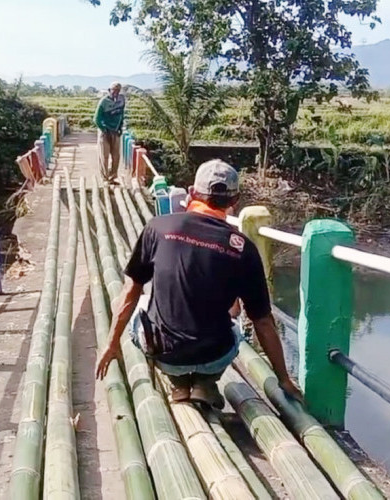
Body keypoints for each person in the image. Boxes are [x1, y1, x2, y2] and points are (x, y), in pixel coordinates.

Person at [96, 159, 302, 408]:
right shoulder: (242, 248)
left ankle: (178, 383)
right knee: (234, 326)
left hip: (165, 354)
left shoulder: (157, 228)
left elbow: (130, 292)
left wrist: (111, 344)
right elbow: (263, 321)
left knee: (141, 302)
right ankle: (205, 383)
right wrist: (283, 379)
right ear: (234, 202)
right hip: (215, 356)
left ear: (192, 193)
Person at [94, 82, 125, 183]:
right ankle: (105, 178)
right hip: (105, 131)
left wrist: (120, 126)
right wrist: (103, 129)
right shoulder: (103, 102)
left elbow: (121, 115)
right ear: (109, 90)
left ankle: (113, 176)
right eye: (113, 90)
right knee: (104, 155)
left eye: (117, 91)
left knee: (116, 156)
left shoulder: (121, 100)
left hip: (115, 131)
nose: (115, 92)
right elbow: (96, 119)